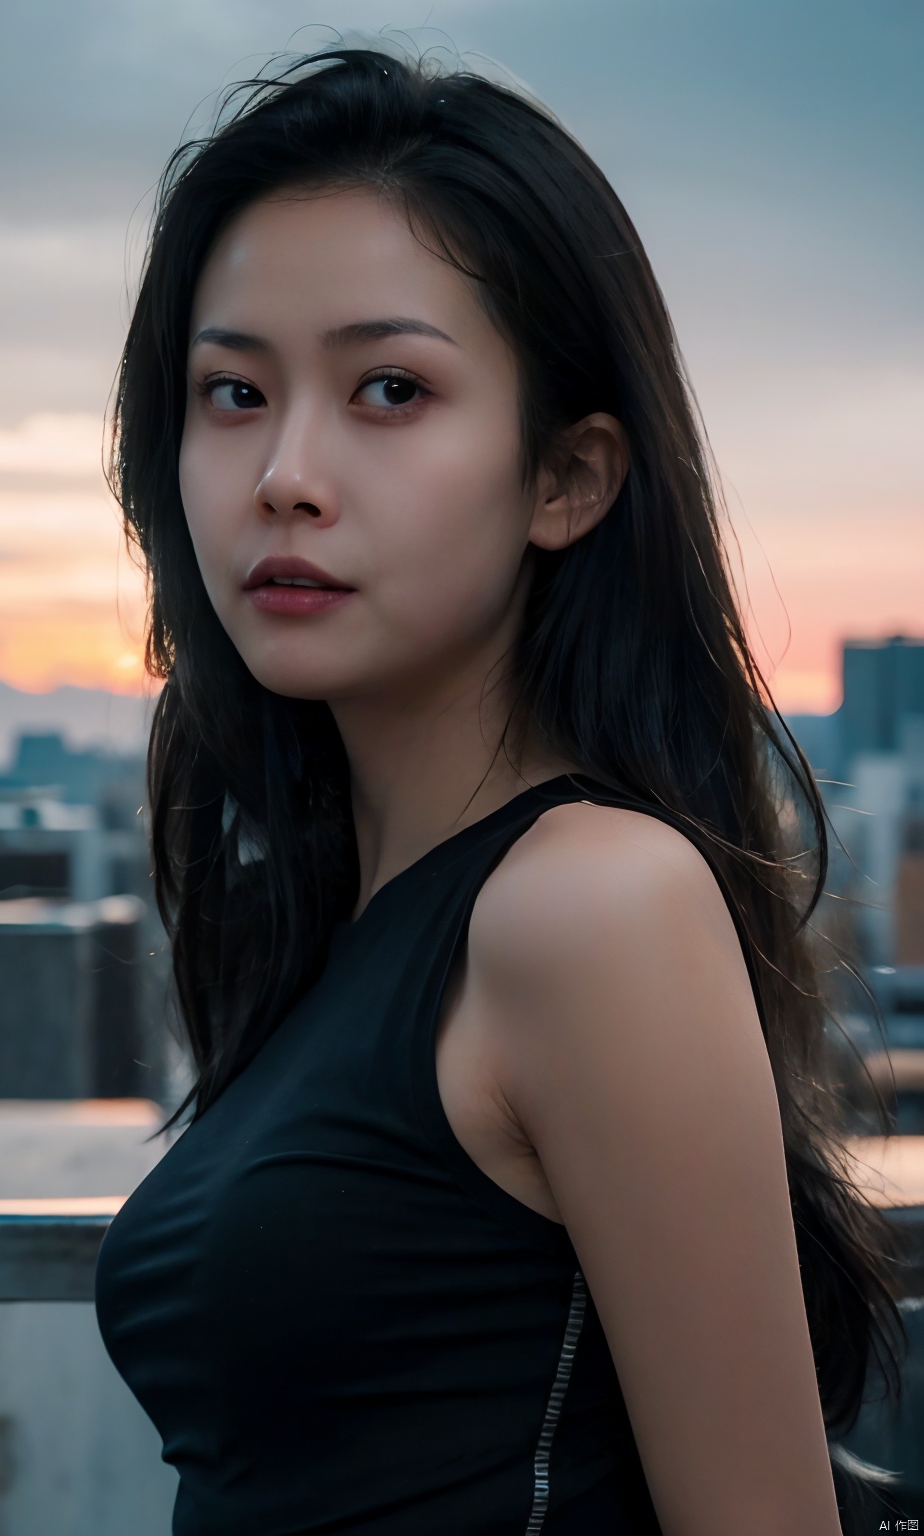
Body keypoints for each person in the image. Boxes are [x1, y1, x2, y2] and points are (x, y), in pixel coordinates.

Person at [94, 45, 901, 1535]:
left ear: (568, 480)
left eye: (390, 388)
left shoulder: (593, 902)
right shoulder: (342, 923)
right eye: (231, 392)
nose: (286, 470)